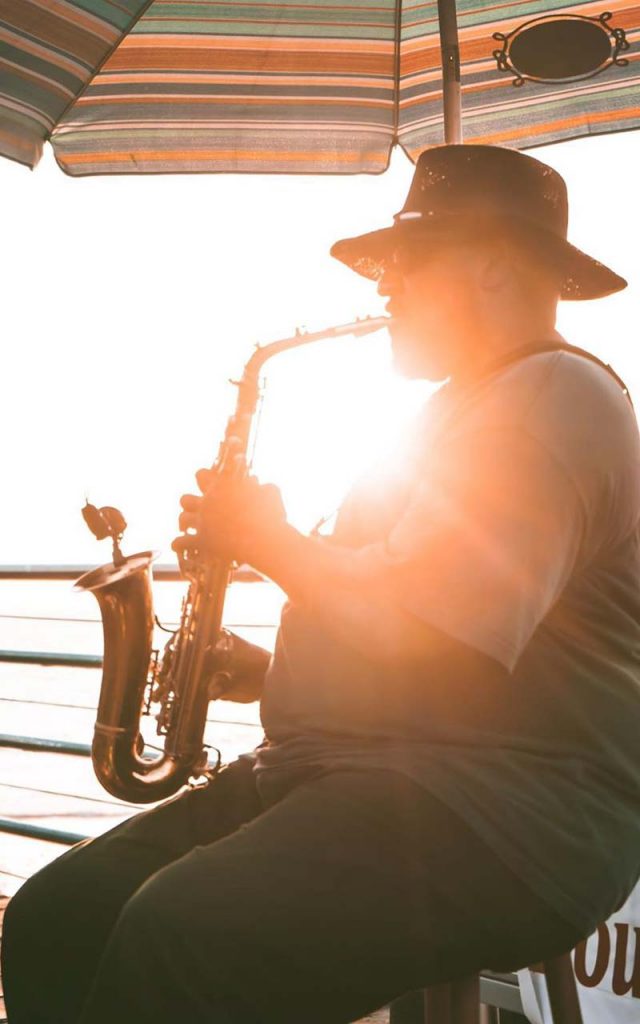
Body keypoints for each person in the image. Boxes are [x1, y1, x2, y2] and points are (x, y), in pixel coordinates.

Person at [3, 144, 640, 1024]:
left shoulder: (554, 399)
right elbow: (432, 649)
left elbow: (434, 636)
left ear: (492, 263)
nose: (388, 291)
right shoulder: (466, 405)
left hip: (505, 811)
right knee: (55, 918)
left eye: (409, 263)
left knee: (178, 935)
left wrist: (267, 542)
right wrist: (271, 672)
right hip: (363, 771)